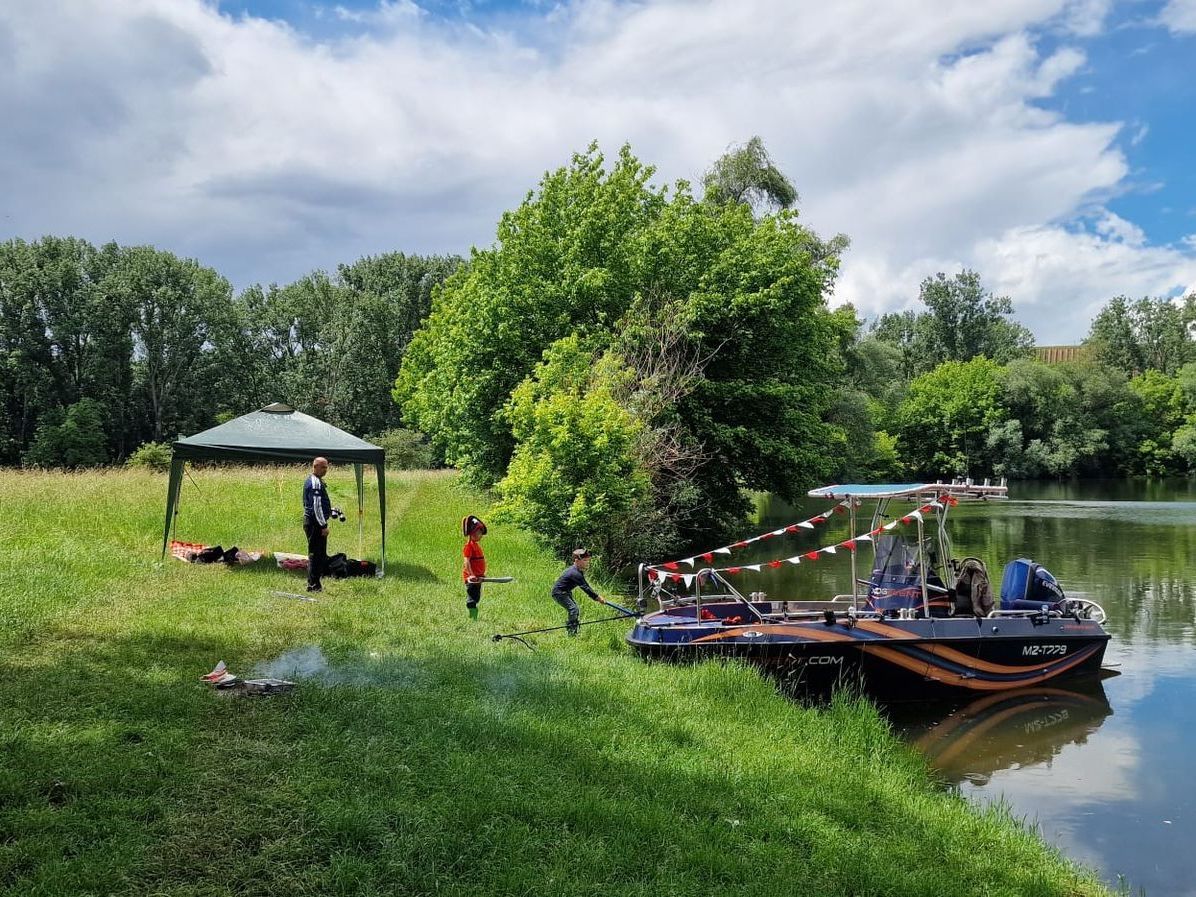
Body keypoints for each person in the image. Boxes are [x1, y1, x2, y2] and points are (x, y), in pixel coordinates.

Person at [551, 548, 604, 635]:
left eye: (588, 560)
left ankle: (573, 630)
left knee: (576, 610)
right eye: (585, 560)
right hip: (559, 593)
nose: (587, 562)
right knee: (573, 609)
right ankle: (571, 633)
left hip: (566, 592)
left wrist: (596, 597)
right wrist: (597, 598)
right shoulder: (574, 573)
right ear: (576, 561)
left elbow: (585, 586)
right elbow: (586, 588)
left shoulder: (578, 571)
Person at [303, 457, 332, 592]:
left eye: (326, 467)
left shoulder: (317, 481)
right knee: (315, 554)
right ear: (315, 467)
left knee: (319, 554)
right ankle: (313, 585)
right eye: (323, 467)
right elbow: (316, 507)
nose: (326, 470)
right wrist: (323, 525)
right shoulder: (315, 483)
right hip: (315, 524)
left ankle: (316, 581)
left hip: (314, 522)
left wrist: (330, 511)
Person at [462, 515, 487, 619]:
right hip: (472, 579)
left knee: (476, 597)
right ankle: (473, 617)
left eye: (481, 533)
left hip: (478, 578)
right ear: (472, 533)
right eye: (478, 532)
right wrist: (471, 575)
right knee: (472, 599)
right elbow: (466, 562)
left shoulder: (476, 545)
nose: (480, 535)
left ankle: (474, 615)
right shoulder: (469, 546)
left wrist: (481, 575)